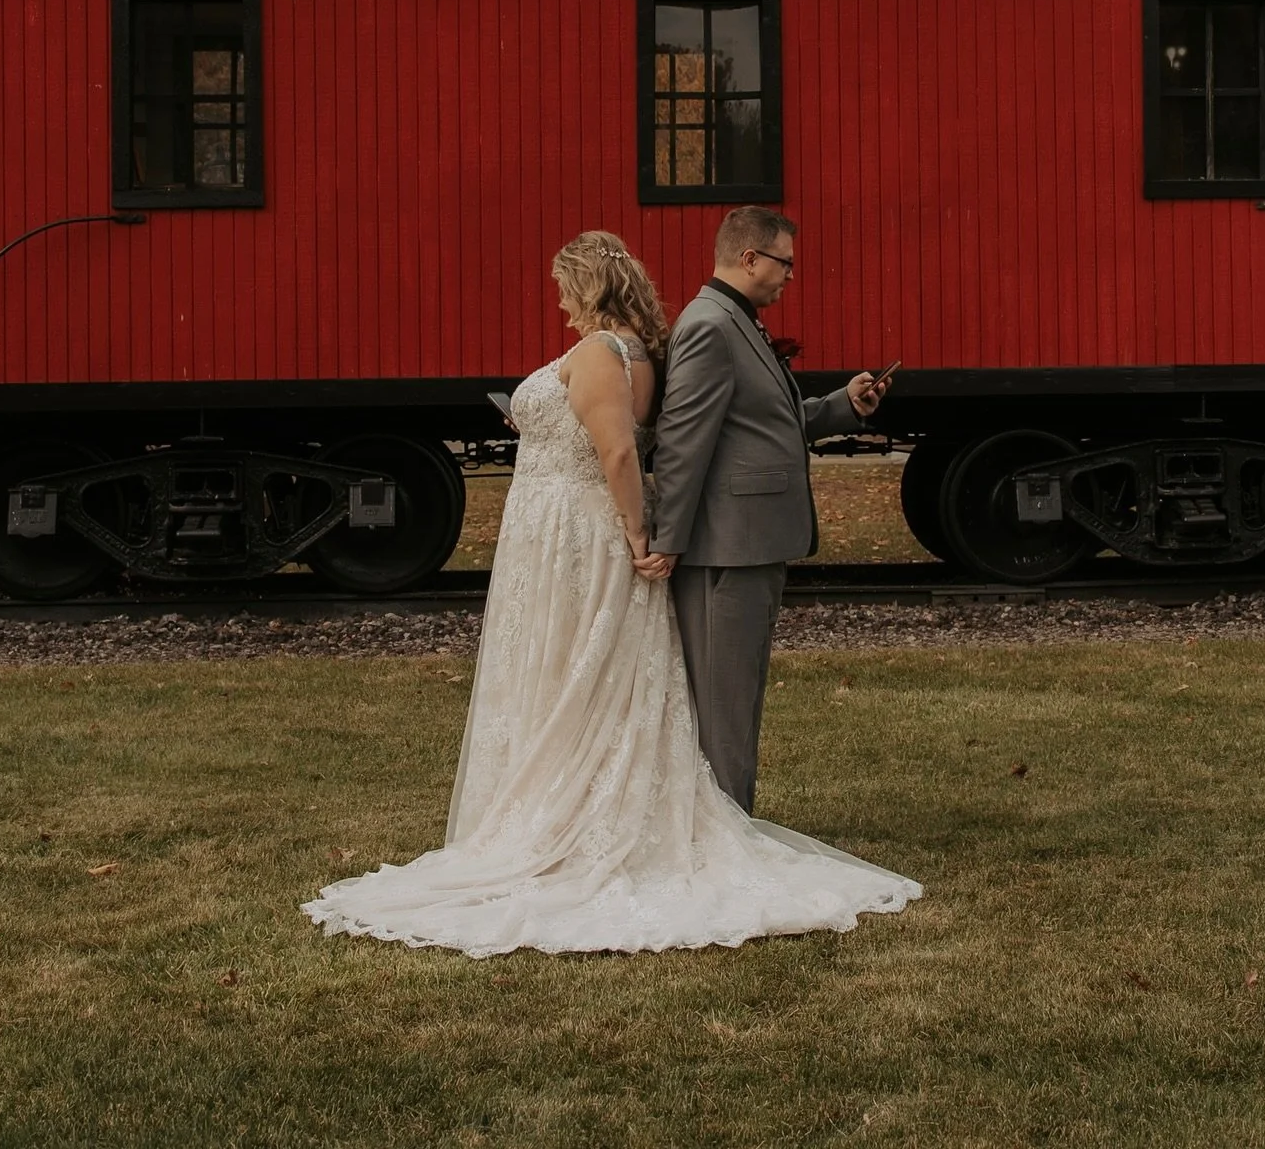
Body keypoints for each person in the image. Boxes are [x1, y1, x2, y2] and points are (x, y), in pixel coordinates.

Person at [302, 229, 919, 956]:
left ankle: (666, 823)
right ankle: (629, 808)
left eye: (564, 289)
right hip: (575, 534)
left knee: (589, 677)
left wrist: (653, 536)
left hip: (585, 536)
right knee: (587, 679)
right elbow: (675, 431)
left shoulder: (615, 349)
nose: (560, 304)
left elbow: (640, 448)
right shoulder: (660, 346)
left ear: (585, 286)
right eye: (786, 262)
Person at [651, 207, 891, 813]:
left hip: (751, 540)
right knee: (724, 700)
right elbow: (682, 442)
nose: (791, 275)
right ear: (749, 258)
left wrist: (844, 406)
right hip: (724, 546)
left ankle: (727, 826)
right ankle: (722, 833)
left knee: (738, 693)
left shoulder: (738, 321)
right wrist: (670, 539)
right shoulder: (711, 325)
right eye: (784, 262)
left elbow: (763, 424)